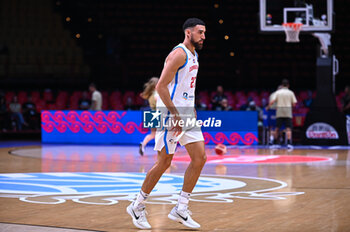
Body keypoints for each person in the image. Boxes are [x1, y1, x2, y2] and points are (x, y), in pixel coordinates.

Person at [127, 18, 206, 229]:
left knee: (200, 158)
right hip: (169, 114)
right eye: (200, 32)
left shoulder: (194, 55)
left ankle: (180, 208)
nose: (203, 36)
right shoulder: (178, 54)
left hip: (186, 112)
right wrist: (175, 115)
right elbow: (161, 86)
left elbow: (186, 87)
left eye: (204, 33)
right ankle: (137, 205)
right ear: (188, 33)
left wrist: (192, 107)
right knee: (164, 162)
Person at [267, 79, 297, 149]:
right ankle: (289, 143)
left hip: (279, 111)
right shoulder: (291, 93)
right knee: (288, 128)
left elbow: (272, 101)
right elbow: (294, 104)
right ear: (288, 85)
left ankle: (273, 143)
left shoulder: (278, 92)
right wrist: (291, 107)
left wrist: (268, 107)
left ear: (282, 85)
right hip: (288, 111)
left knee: (277, 128)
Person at [139, 77, 159, 155]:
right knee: (162, 134)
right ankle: (162, 151)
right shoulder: (156, 94)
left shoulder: (150, 94)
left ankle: (143, 144)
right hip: (157, 114)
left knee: (153, 134)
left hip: (151, 114)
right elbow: (158, 101)